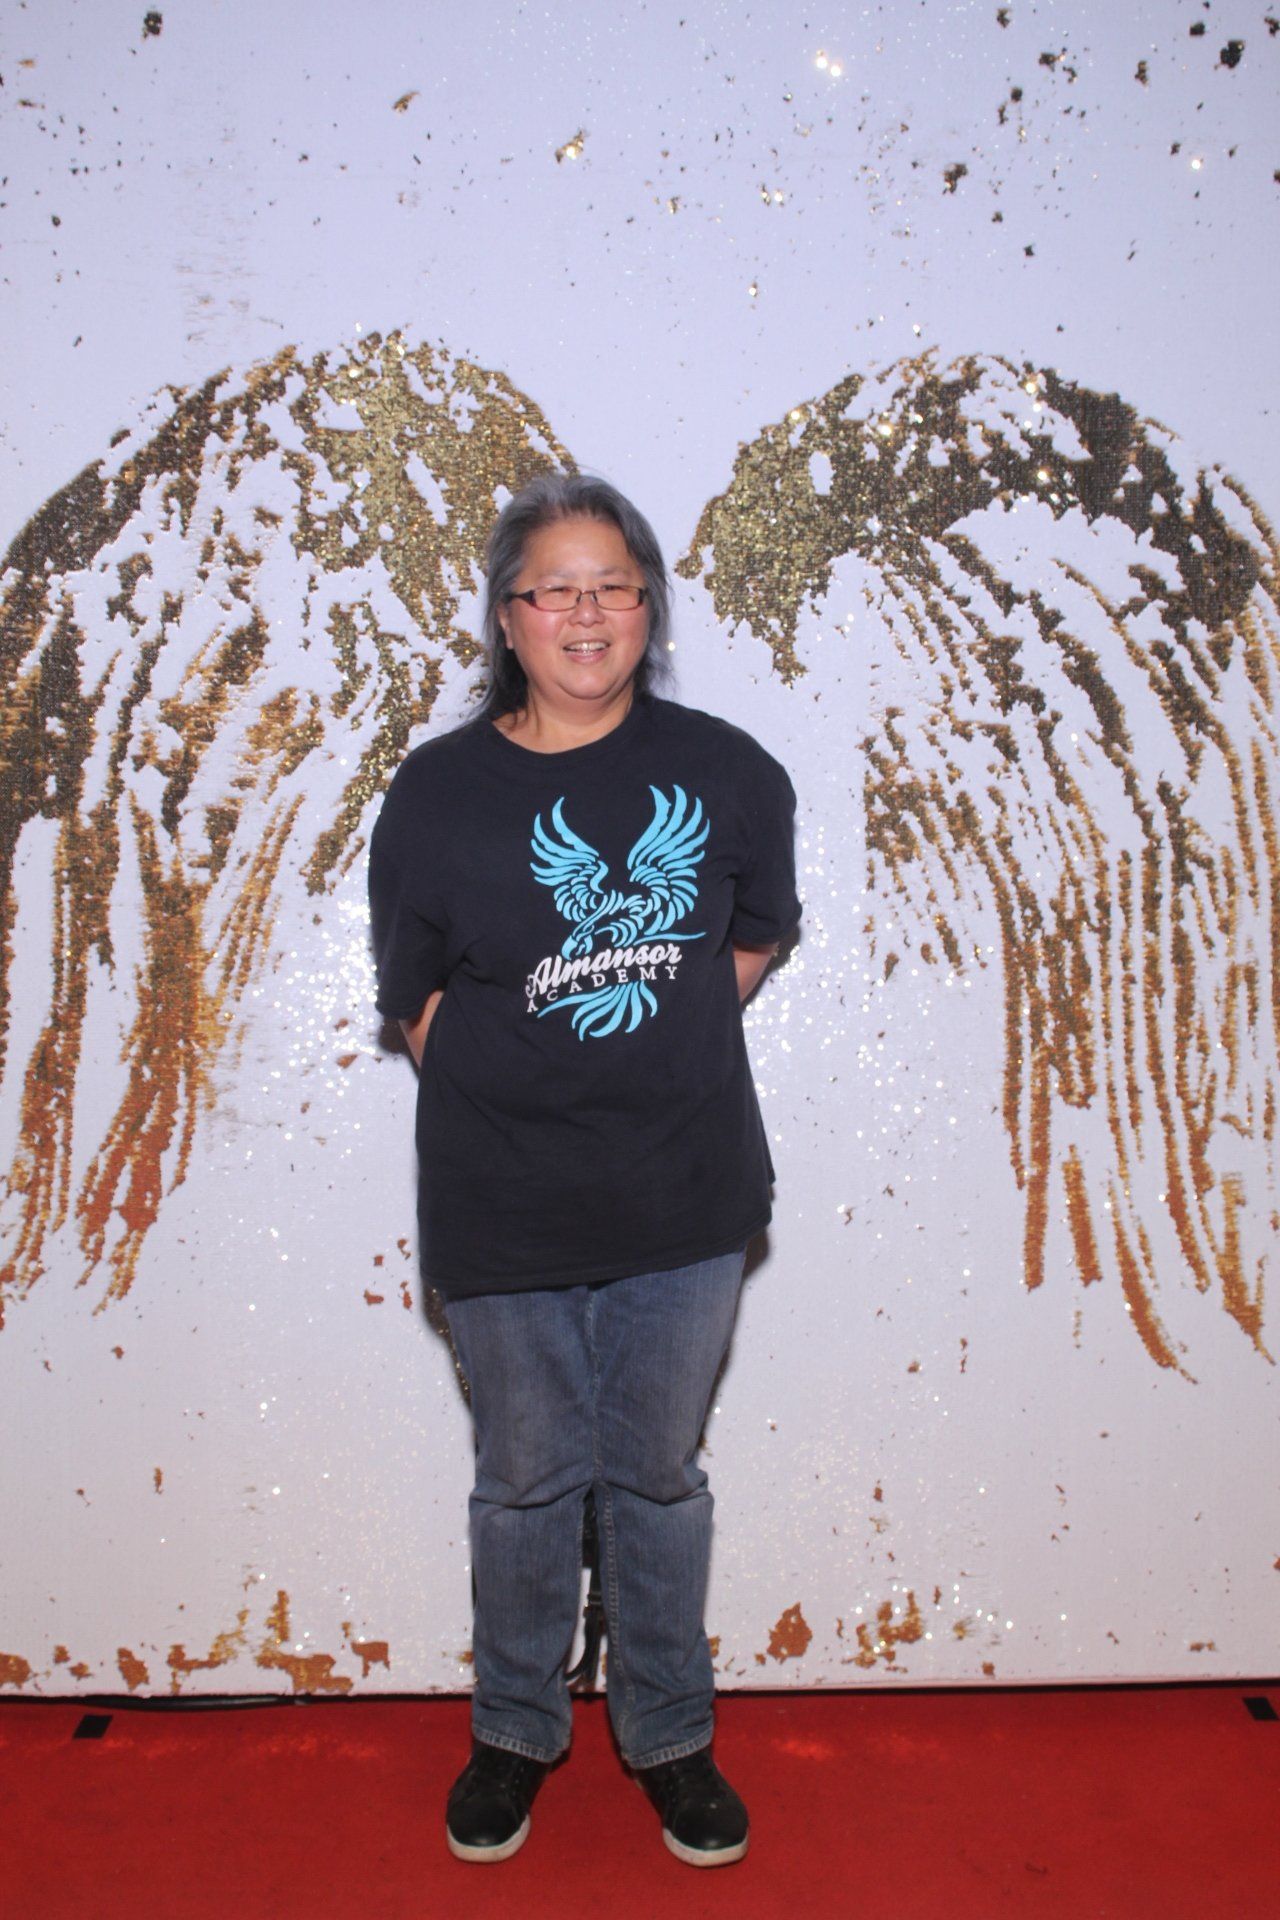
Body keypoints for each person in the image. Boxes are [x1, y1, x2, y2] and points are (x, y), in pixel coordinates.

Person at [368, 473, 800, 1866]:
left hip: (686, 1196)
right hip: (501, 1203)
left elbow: (752, 939)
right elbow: (415, 996)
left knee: (659, 1479)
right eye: (554, 588)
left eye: (614, 584)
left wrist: (651, 1052)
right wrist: (519, 1086)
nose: (587, 611)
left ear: (649, 608)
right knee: (525, 1482)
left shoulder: (730, 772)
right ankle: (514, 1731)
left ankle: (670, 1735)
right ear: (508, 618)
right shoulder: (438, 793)